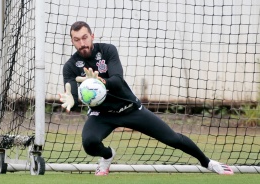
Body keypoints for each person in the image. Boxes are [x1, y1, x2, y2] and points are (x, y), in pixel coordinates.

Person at [59, 21, 234, 176]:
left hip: (129, 109)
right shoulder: (70, 66)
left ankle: (208, 163)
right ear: (72, 41)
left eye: (85, 37)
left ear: (92, 36)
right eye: (77, 40)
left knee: (172, 138)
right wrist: (72, 99)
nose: (82, 43)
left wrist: (101, 81)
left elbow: (118, 81)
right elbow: (72, 91)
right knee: (89, 143)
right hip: (102, 114)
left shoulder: (107, 50)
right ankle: (107, 156)